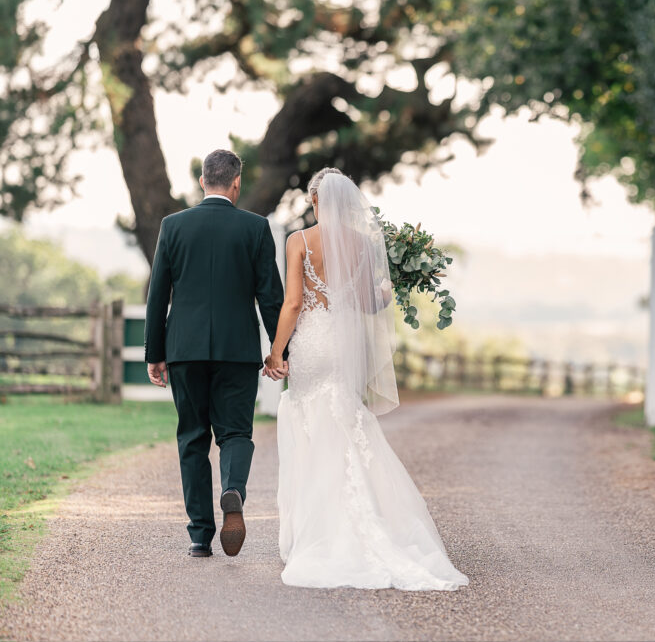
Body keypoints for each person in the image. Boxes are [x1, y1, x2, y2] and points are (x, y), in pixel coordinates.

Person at [265, 168, 468, 590]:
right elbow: (367, 304)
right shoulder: (360, 244)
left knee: (311, 428)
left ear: (315, 201)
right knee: (343, 424)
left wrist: (277, 350)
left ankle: (318, 531)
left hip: (313, 344)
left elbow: (293, 303)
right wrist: (386, 295)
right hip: (344, 347)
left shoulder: (298, 241)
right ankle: (357, 522)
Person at [144, 149, 285, 559]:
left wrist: (156, 352)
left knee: (192, 437)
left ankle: (200, 537)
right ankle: (232, 490)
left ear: (202, 180)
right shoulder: (256, 228)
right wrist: (280, 350)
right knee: (236, 433)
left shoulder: (173, 226)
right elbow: (270, 297)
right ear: (236, 183)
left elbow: (157, 297)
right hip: (237, 351)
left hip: (184, 350)